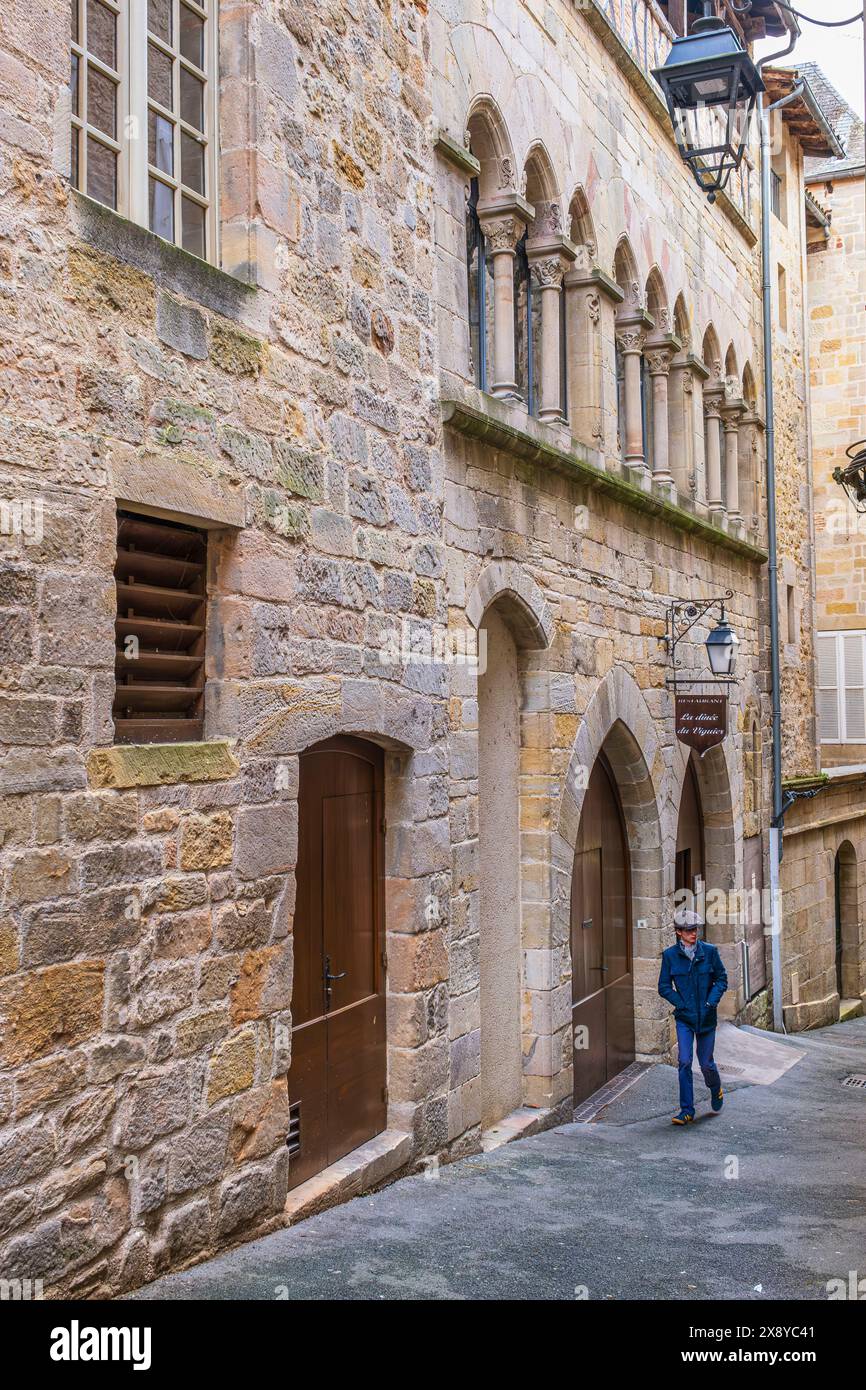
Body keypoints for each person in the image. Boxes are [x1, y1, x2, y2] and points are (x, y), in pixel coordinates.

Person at [657, 906, 728, 1125]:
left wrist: (710, 1002)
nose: (693, 934)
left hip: (706, 1017)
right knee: (685, 1061)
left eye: (695, 929)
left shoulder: (710, 951)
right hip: (685, 1018)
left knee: (706, 1063)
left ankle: (715, 1088)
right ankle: (687, 1110)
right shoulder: (670, 956)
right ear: (678, 932)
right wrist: (681, 1003)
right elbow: (663, 986)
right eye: (688, 930)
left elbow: (722, 980)